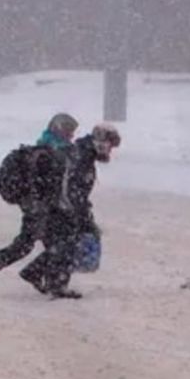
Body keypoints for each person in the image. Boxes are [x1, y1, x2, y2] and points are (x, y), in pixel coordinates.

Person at [0, 112, 78, 292]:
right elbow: (47, 185)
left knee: (47, 244)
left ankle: (45, 279)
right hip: (39, 207)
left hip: (37, 206)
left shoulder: (48, 148)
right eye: (68, 132)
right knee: (39, 244)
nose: (71, 136)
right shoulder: (49, 152)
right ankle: (49, 281)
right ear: (59, 129)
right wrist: (50, 205)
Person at [23, 124, 121, 299]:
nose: (110, 151)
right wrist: (79, 214)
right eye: (110, 145)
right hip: (61, 207)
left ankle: (44, 277)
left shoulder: (83, 152)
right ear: (101, 141)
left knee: (65, 243)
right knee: (69, 243)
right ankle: (48, 279)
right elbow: (72, 189)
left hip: (59, 205)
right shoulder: (82, 156)